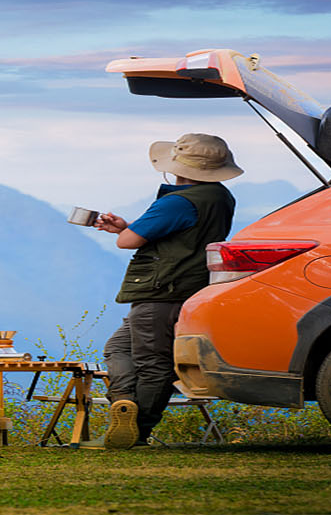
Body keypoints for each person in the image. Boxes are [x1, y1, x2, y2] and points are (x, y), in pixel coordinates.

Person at [89, 133, 240, 449]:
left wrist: (126, 231)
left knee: (153, 364)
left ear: (177, 166)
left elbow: (127, 242)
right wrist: (128, 226)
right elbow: (181, 238)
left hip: (160, 291)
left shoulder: (177, 201)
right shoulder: (220, 196)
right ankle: (124, 404)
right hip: (188, 288)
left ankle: (136, 429)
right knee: (117, 348)